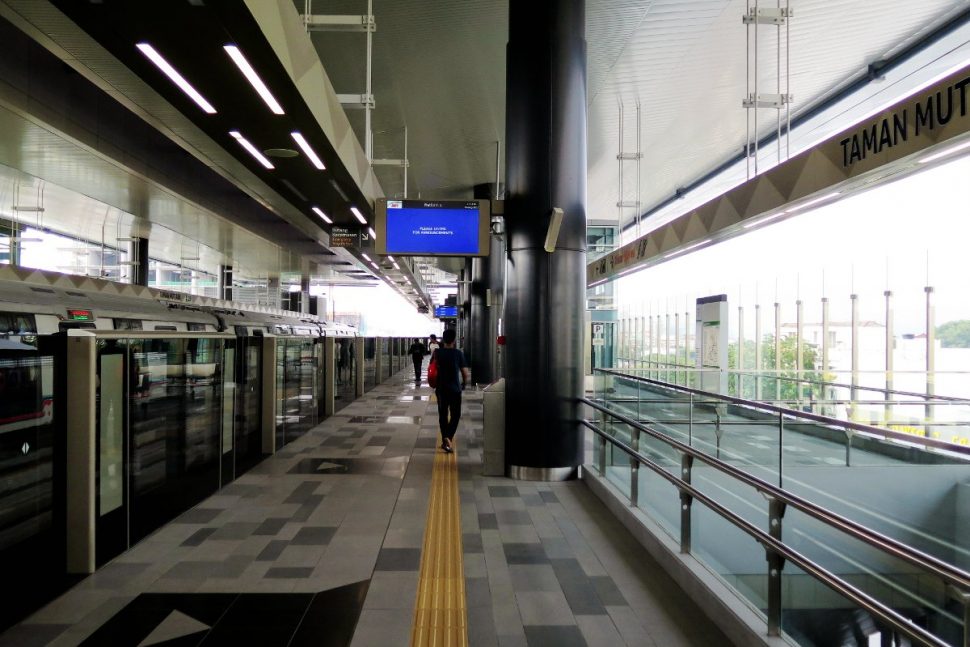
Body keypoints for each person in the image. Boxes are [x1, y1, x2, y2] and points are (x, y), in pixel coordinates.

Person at [433, 328, 469, 453]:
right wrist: (464, 383)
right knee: (455, 415)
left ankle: (445, 440)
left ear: (443, 339)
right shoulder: (458, 353)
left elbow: (432, 368)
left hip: (441, 389)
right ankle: (448, 437)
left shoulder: (437, 352)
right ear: (454, 340)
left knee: (443, 415)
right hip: (455, 389)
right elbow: (465, 372)